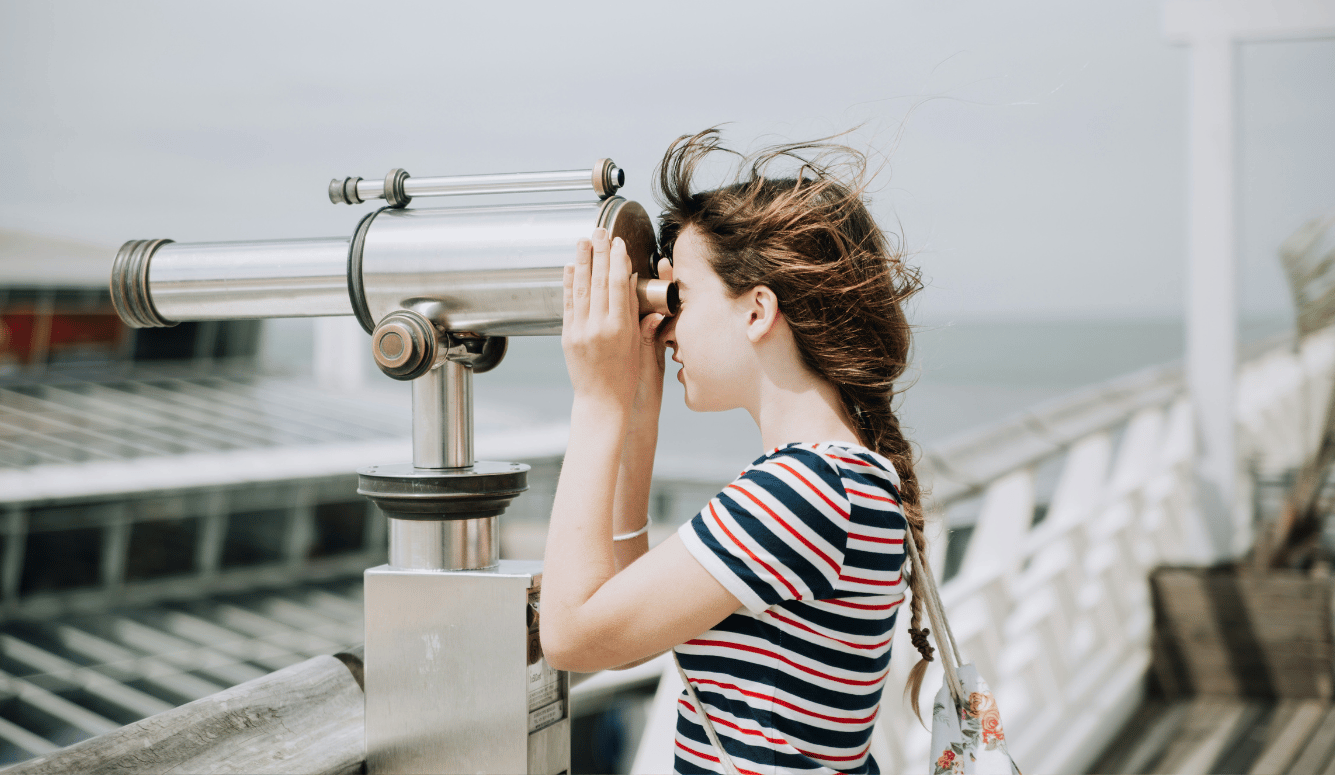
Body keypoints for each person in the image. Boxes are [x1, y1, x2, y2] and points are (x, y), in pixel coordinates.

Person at [540, 129, 931, 775]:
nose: (666, 326)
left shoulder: (803, 490)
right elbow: (620, 635)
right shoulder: (843, 475)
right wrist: (637, 406)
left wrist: (596, 399)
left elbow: (571, 637)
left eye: (680, 298)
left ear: (756, 311)